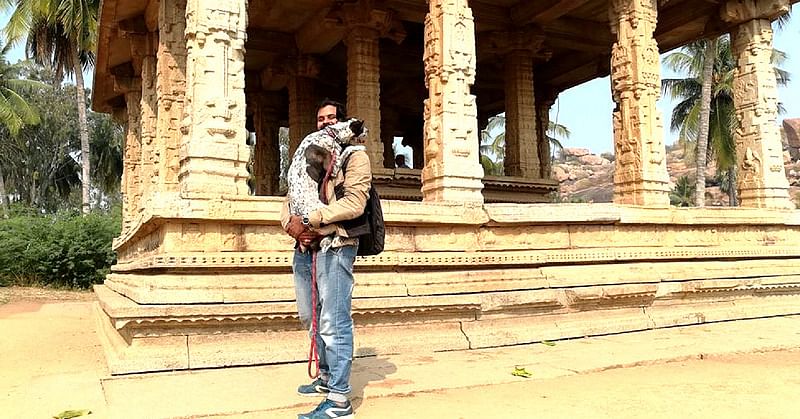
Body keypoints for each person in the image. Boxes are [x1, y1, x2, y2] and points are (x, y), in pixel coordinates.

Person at [281, 98, 371, 419]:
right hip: (306, 248)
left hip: (336, 244)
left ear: (343, 123)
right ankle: (325, 377)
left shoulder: (354, 157)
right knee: (310, 316)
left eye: (332, 118)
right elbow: (290, 200)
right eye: (321, 119)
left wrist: (312, 221)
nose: (326, 123)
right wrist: (295, 228)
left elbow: (355, 204)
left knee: (334, 319)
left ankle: (339, 401)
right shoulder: (309, 157)